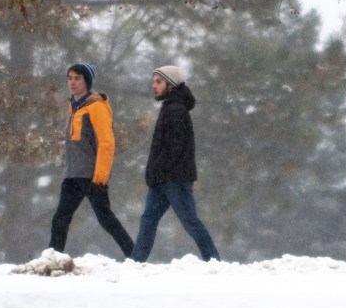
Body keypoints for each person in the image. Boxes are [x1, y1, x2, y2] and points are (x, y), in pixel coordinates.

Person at [129, 65, 220, 262]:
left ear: (171, 84)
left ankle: (214, 261)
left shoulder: (176, 110)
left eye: (159, 82)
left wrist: (157, 169)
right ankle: (136, 262)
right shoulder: (170, 107)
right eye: (153, 82)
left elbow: (175, 146)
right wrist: (155, 173)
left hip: (175, 178)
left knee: (190, 221)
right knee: (148, 220)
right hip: (162, 179)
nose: (154, 86)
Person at [49, 62, 135, 258]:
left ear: (86, 81)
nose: (72, 82)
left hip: (91, 176)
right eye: (70, 78)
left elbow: (106, 143)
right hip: (72, 175)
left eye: (77, 78)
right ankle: (52, 259)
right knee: (60, 219)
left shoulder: (96, 106)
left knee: (106, 219)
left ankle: (135, 256)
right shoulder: (73, 106)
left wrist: (100, 179)